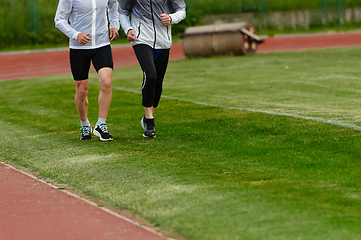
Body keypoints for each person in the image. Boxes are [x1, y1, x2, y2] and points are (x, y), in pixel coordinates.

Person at [118, 0, 186, 138]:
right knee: (150, 76)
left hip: (163, 40)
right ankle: (149, 121)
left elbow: (182, 10)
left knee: (158, 83)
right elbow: (123, 11)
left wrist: (172, 18)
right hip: (141, 38)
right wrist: (128, 29)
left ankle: (147, 116)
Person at [54, 0, 120, 141]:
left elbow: (114, 5)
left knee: (106, 82)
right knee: (81, 90)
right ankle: (84, 125)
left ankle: (101, 125)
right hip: (79, 48)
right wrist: (75, 34)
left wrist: (114, 25)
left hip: (102, 44)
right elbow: (59, 20)